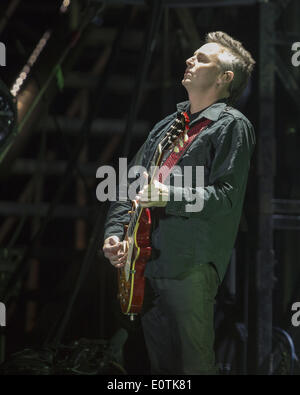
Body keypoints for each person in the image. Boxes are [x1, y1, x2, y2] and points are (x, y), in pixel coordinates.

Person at [102, 31, 256, 375]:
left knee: (193, 366)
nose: (190, 60)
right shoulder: (166, 126)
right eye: (192, 55)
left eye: (202, 59)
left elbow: (227, 197)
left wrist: (169, 196)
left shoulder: (232, 126)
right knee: (163, 369)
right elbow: (128, 188)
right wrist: (114, 235)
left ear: (224, 77)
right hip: (147, 265)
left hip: (189, 266)